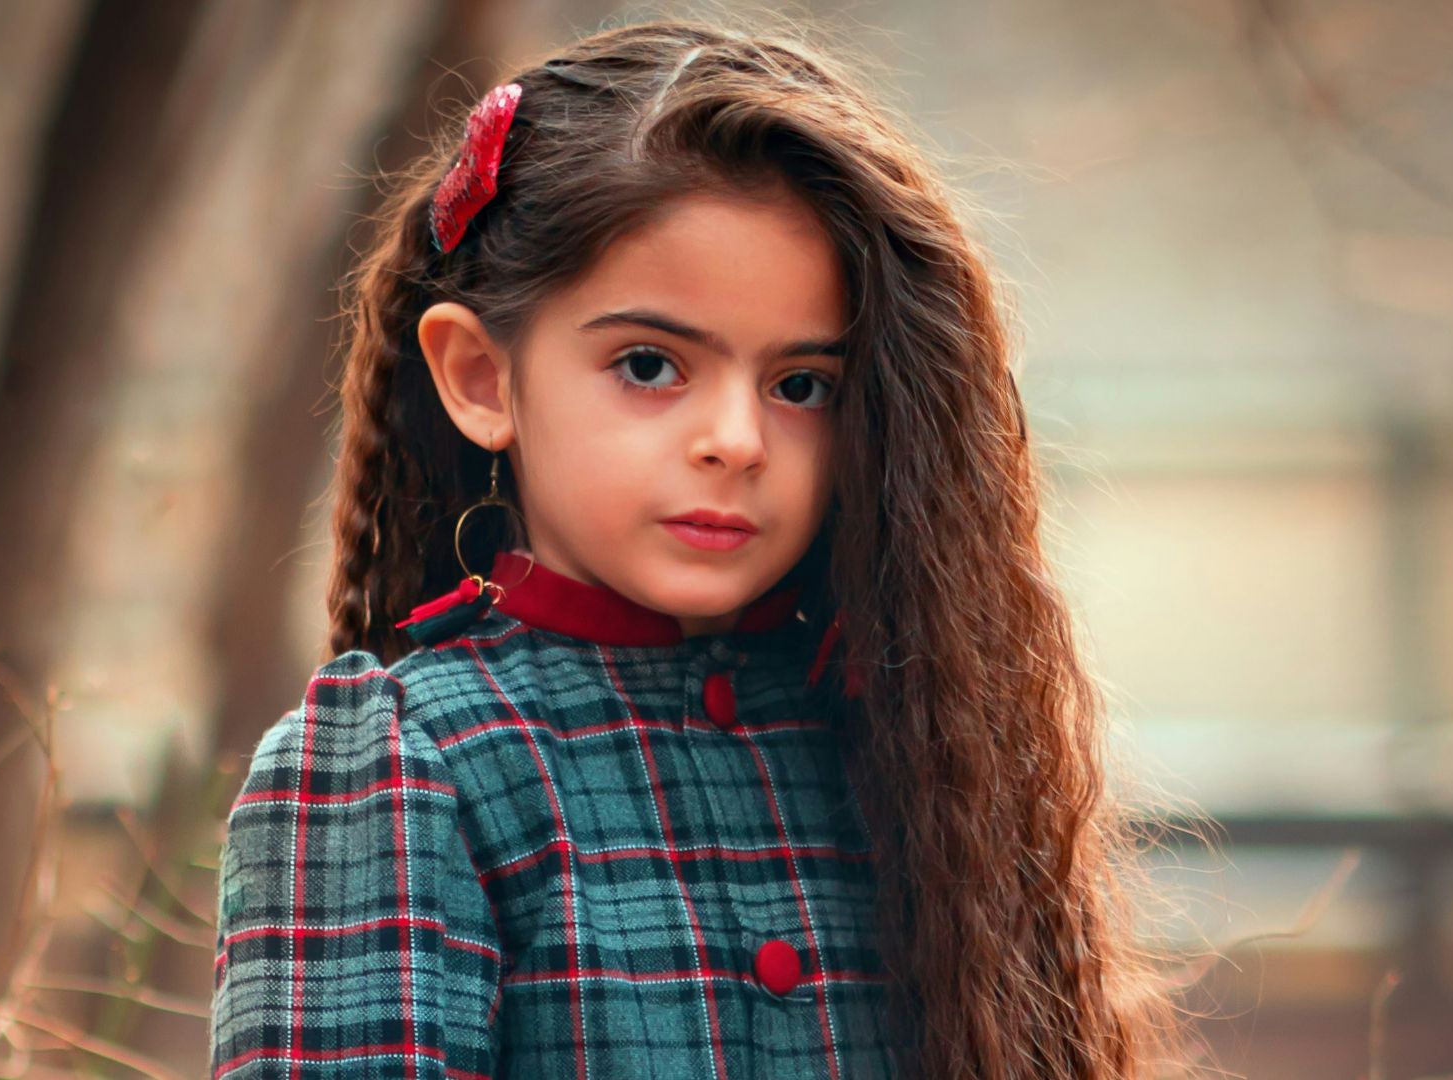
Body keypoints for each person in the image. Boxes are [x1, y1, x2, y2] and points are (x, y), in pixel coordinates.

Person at [209, 17, 1191, 1080]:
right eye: (648, 365)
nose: (736, 440)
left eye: (802, 384)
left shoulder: (918, 745)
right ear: (481, 379)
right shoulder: (405, 767)